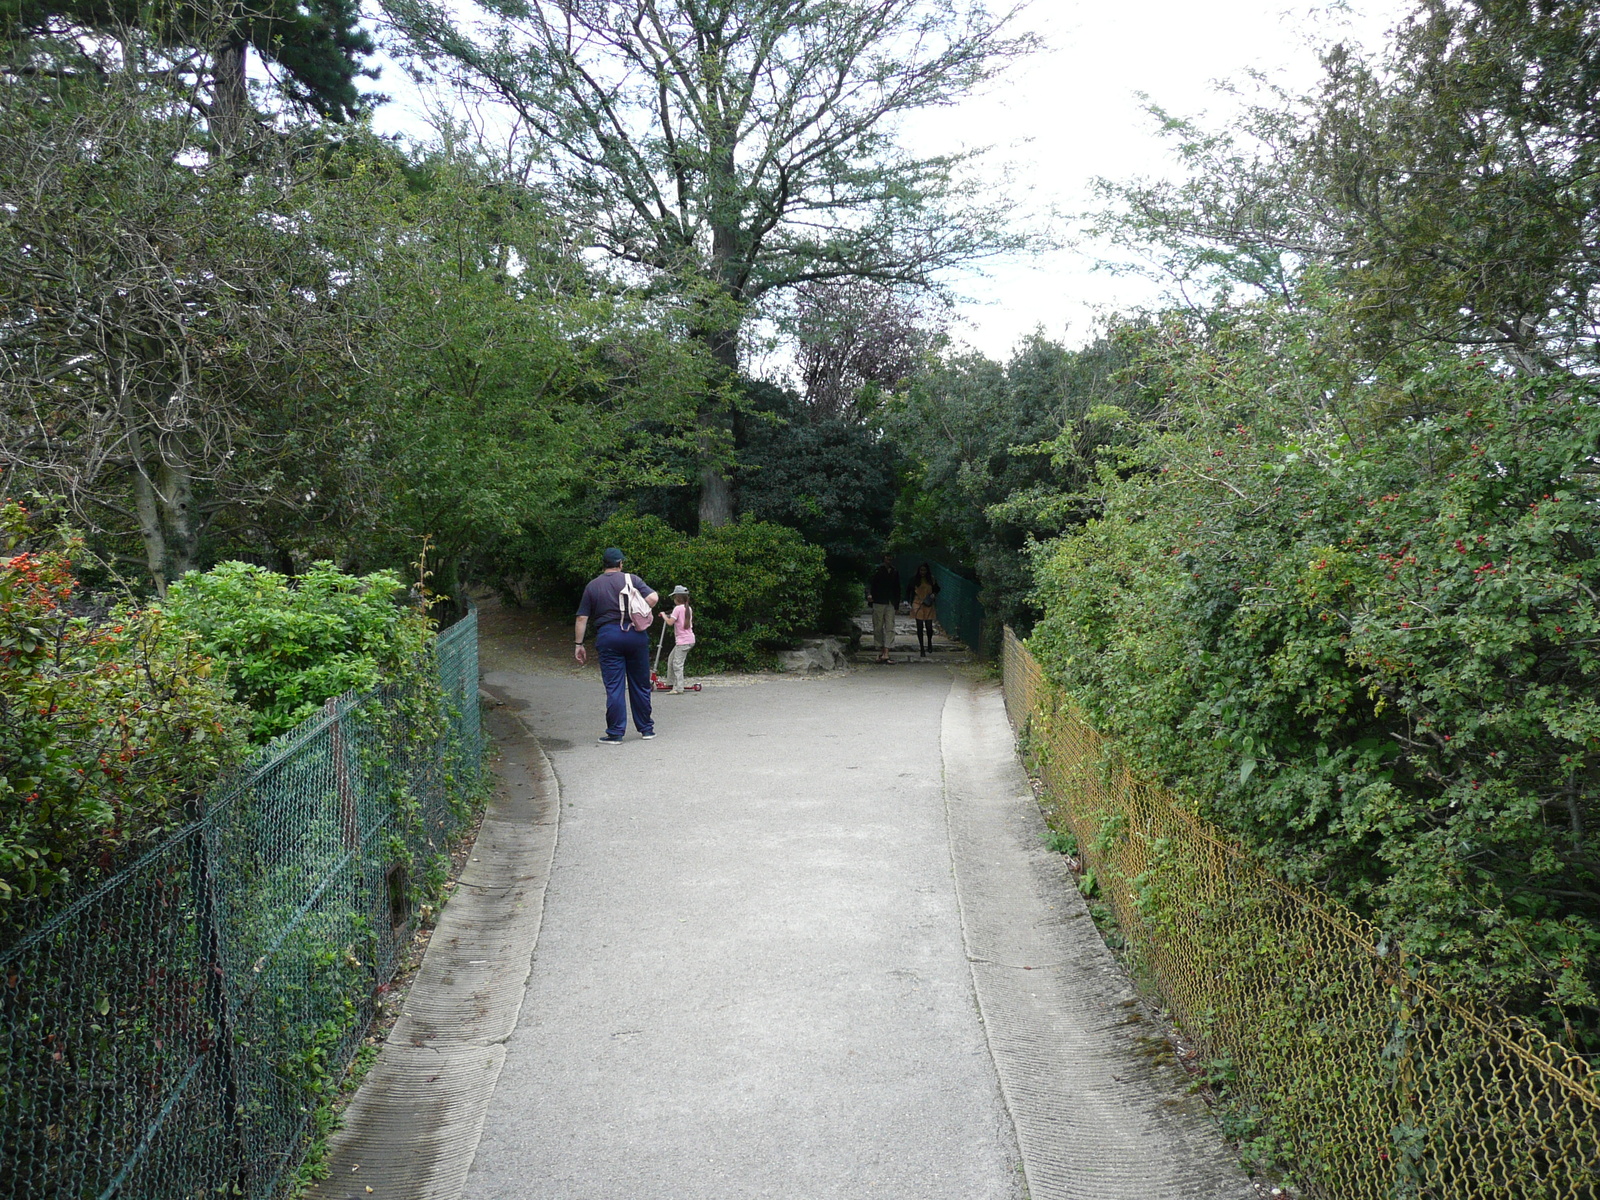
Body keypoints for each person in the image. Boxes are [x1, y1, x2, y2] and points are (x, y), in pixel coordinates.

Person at [574, 547, 659, 744]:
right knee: (640, 684)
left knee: (614, 686)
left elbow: (581, 618)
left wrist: (579, 644)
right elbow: (653, 598)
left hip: (609, 636)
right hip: (635, 635)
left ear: (604, 564)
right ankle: (646, 729)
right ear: (620, 564)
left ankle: (615, 733)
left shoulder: (592, 586)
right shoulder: (632, 579)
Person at [659, 584, 696, 694]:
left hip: (683, 641)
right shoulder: (687, 608)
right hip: (689, 639)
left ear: (678, 598)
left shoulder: (677, 608)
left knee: (677, 664)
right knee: (671, 659)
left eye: (674, 597)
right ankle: (670, 682)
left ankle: (678, 688)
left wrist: (664, 615)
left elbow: (670, 622)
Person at [867, 552, 900, 664]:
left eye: (890, 557)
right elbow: (869, 583)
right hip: (878, 600)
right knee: (878, 626)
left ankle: (886, 651)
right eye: (887, 557)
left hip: (890, 601)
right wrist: (869, 594)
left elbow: (897, 588)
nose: (889, 559)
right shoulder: (877, 570)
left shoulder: (894, 571)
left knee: (890, 626)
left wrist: (897, 603)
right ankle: (880, 650)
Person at [909, 562, 940, 658]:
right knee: (919, 625)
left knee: (929, 626)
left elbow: (937, 589)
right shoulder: (914, 579)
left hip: (928, 604)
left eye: (924, 570)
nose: (923, 572)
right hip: (918, 603)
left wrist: (933, 594)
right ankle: (922, 648)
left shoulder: (932, 579)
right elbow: (909, 590)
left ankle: (929, 641)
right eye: (921, 570)